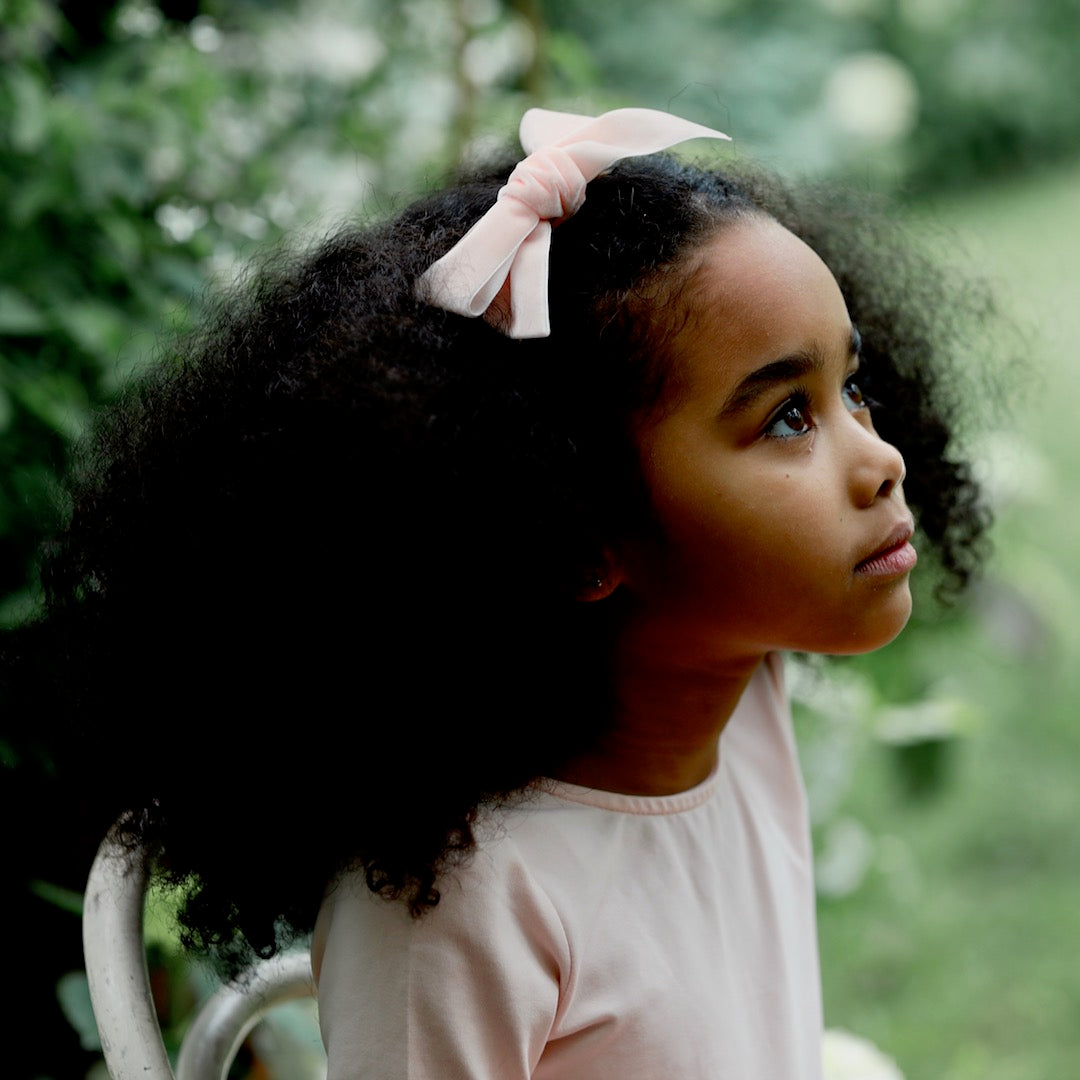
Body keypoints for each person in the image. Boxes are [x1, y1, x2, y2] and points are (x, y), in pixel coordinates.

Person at [5, 107, 987, 1077]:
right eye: (785, 419)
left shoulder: (741, 698)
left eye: (851, 391)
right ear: (576, 530)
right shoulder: (455, 914)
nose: (881, 461)